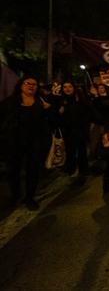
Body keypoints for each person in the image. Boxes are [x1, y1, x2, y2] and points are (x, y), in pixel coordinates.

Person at [0, 77, 52, 211]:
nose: (31, 86)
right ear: (21, 85)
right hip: (14, 142)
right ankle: (15, 194)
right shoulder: (10, 102)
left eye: (34, 84)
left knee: (32, 171)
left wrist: (49, 109)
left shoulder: (41, 102)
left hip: (35, 142)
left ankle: (29, 197)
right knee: (12, 171)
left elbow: (51, 121)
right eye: (27, 83)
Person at [53, 81, 92, 183]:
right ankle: (71, 168)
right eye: (65, 87)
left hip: (80, 129)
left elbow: (88, 112)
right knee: (70, 151)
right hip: (68, 131)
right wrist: (60, 113)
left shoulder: (80, 98)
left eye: (70, 86)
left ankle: (83, 170)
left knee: (81, 151)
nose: (67, 89)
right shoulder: (60, 100)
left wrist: (83, 123)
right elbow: (54, 115)